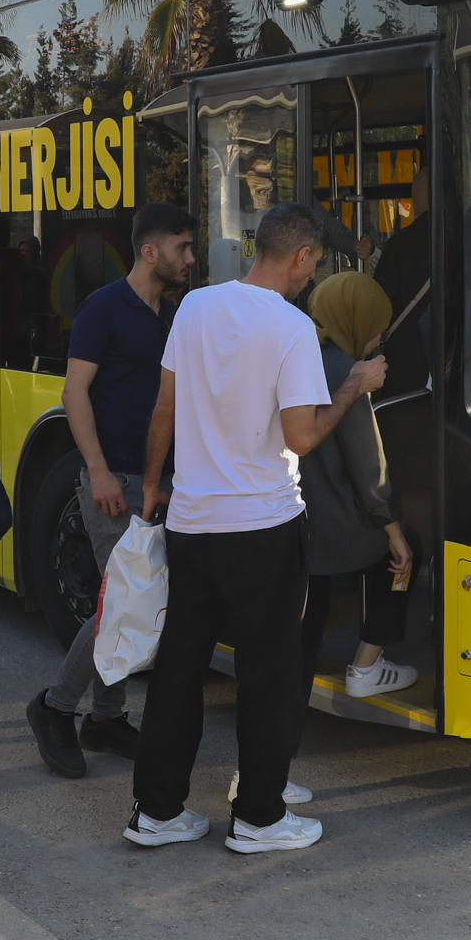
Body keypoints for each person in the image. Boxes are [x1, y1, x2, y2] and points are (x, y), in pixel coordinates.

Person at [127, 203, 384, 855]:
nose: (313, 275)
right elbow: (302, 436)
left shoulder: (195, 307)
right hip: (264, 527)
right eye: (315, 263)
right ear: (301, 256)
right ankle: (259, 818)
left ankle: (156, 811)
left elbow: (163, 408)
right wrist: (353, 386)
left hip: (192, 521)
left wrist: (153, 485)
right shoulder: (292, 328)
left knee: (179, 668)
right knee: (269, 673)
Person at [25, 202, 194, 779]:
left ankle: (105, 717)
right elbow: (74, 393)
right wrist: (96, 471)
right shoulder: (103, 307)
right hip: (114, 478)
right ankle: (55, 707)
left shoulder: (169, 314)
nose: (190, 258)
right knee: (121, 604)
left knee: (133, 603)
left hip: (156, 481)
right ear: (150, 251)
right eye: (182, 247)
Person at [298, 273, 417, 720]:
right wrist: (395, 530)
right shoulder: (349, 374)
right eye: (377, 328)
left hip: (291, 518)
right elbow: (370, 472)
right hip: (334, 527)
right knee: (406, 554)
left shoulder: (296, 354)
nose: (379, 338)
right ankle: (367, 665)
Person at [372, 156, 432, 396]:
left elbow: (379, 308)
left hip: (403, 364)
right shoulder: (466, 239)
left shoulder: (400, 245)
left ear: (417, 199)